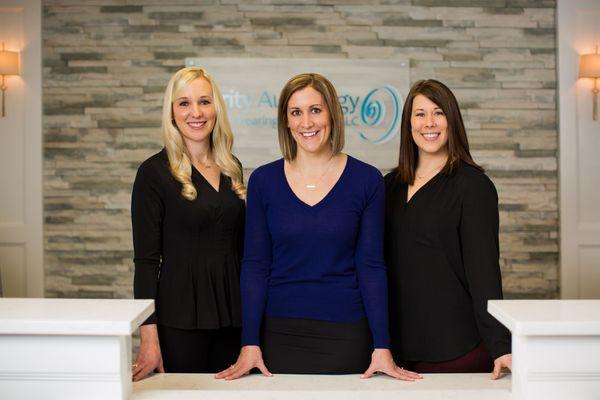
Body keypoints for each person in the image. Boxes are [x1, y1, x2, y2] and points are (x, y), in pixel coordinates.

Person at [216, 73, 421, 381]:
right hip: (279, 336)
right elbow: (256, 266)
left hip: (347, 335)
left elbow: (371, 266)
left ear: (332, 115)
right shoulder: (263, 181)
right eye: (296, 112)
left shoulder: (366, 180)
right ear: (285, 121)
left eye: (316, 110)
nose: (306, 122)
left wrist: (382, 346)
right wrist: (249, 343)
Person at [384, 79, 512, 379]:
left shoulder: (474, 187)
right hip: (395, 350)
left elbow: (484, 274)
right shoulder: (388, 186)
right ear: (408, 124)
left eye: (438, 112)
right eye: (420, 114)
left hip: (455, 347)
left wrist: (501, 345)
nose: (429, 122)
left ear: (452, 120)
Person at [131, 67, 246, 380]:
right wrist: (148, 341)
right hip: (180, 320)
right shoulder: (153, 173)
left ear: (216, 108)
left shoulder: (231, 168)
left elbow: (242, 251)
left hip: (233, 317)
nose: (196, 112)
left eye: (204, 102)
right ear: (171, 112)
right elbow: (145, 263)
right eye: (184, 103)